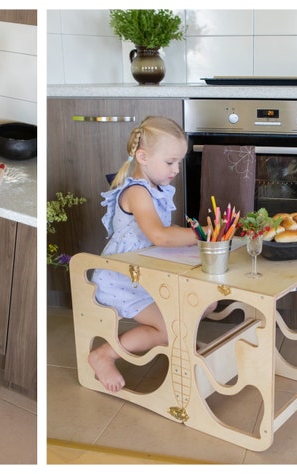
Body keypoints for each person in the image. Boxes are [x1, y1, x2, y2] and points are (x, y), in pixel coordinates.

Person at [89, 116, 214, 393]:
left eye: (178, 162)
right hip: (122, 279)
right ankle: (104, 355)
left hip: (145, 274)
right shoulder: (137, 192)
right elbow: (159, 235)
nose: (176, 169)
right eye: (170, 162)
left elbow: (163, 233)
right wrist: (201, 234)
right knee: (168, 328)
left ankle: (179, 339)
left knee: (207, 304)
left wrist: (191, 238)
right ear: (142, 156)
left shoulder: (155, 189)